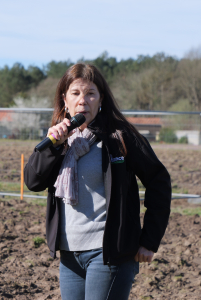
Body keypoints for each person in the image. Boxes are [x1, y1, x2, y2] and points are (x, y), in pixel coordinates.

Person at [24, 63, 171, 300]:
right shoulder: (60, 140)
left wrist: (150, 240)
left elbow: (159, 181)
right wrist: (52, 147)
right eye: (76, 93)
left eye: (91, 93)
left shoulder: (120, 137)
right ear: (65, 100)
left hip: (109, 254)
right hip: (70, 255)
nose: (83, 100)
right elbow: (32, 181)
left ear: (101, 98)